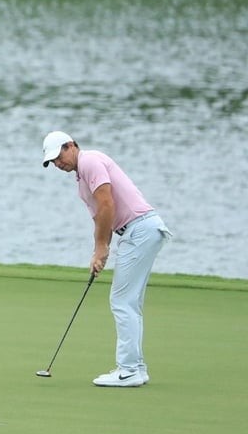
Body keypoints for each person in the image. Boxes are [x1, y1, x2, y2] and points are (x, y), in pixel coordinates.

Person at [41, 130, 173, 387]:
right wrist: (99, 250)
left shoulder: (89, 161)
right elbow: (101, 217)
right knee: (129, 302)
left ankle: (128, 370)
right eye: (53, 162)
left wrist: (102, 247)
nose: (58, 163)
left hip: (140, 229)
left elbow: (107, 204)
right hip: (139, 231)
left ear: (71, 145)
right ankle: (137, 368)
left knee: (122, 300)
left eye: (59, 156)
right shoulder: (81, 181)